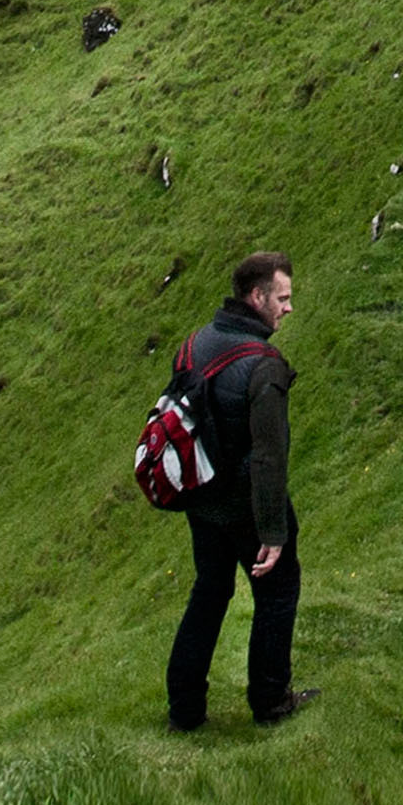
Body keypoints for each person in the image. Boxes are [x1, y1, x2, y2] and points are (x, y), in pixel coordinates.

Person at [165, 250, 305, 732]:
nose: (288, 308)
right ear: (257, 296)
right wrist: (273, 530)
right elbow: (269, 456)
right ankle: (270, 701)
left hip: (201, 500)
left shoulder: (196, 342)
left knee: (210, 591)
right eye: (282, 298)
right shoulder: (265, 366)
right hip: (245, 504)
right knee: (278, 590)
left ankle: (184, 709)